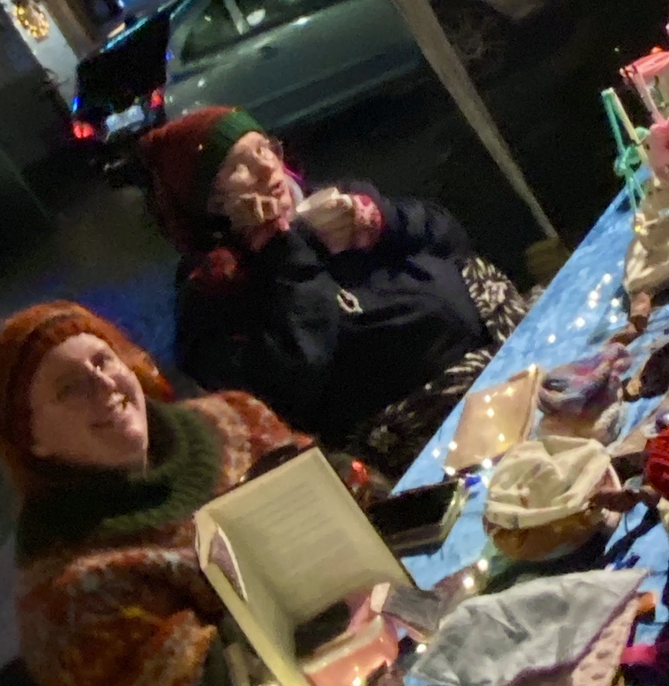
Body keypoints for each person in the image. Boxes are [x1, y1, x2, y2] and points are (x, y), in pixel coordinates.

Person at [0, 301, 307, 686]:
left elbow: (352, 492)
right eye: (70, 388)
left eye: (103, 360)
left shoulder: (236, 416)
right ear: (32, 439)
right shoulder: (68, 600)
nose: (103, 384)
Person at [142, 106, 529, 475]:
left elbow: (452, 239)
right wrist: (286, 249)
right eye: (238, 166)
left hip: (502, 346)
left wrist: (382, 220)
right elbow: (290, 385)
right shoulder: (218, 292)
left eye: (263, 148)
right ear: (211, 205)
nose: (265, 166)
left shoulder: (330, 203)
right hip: (433, 426)